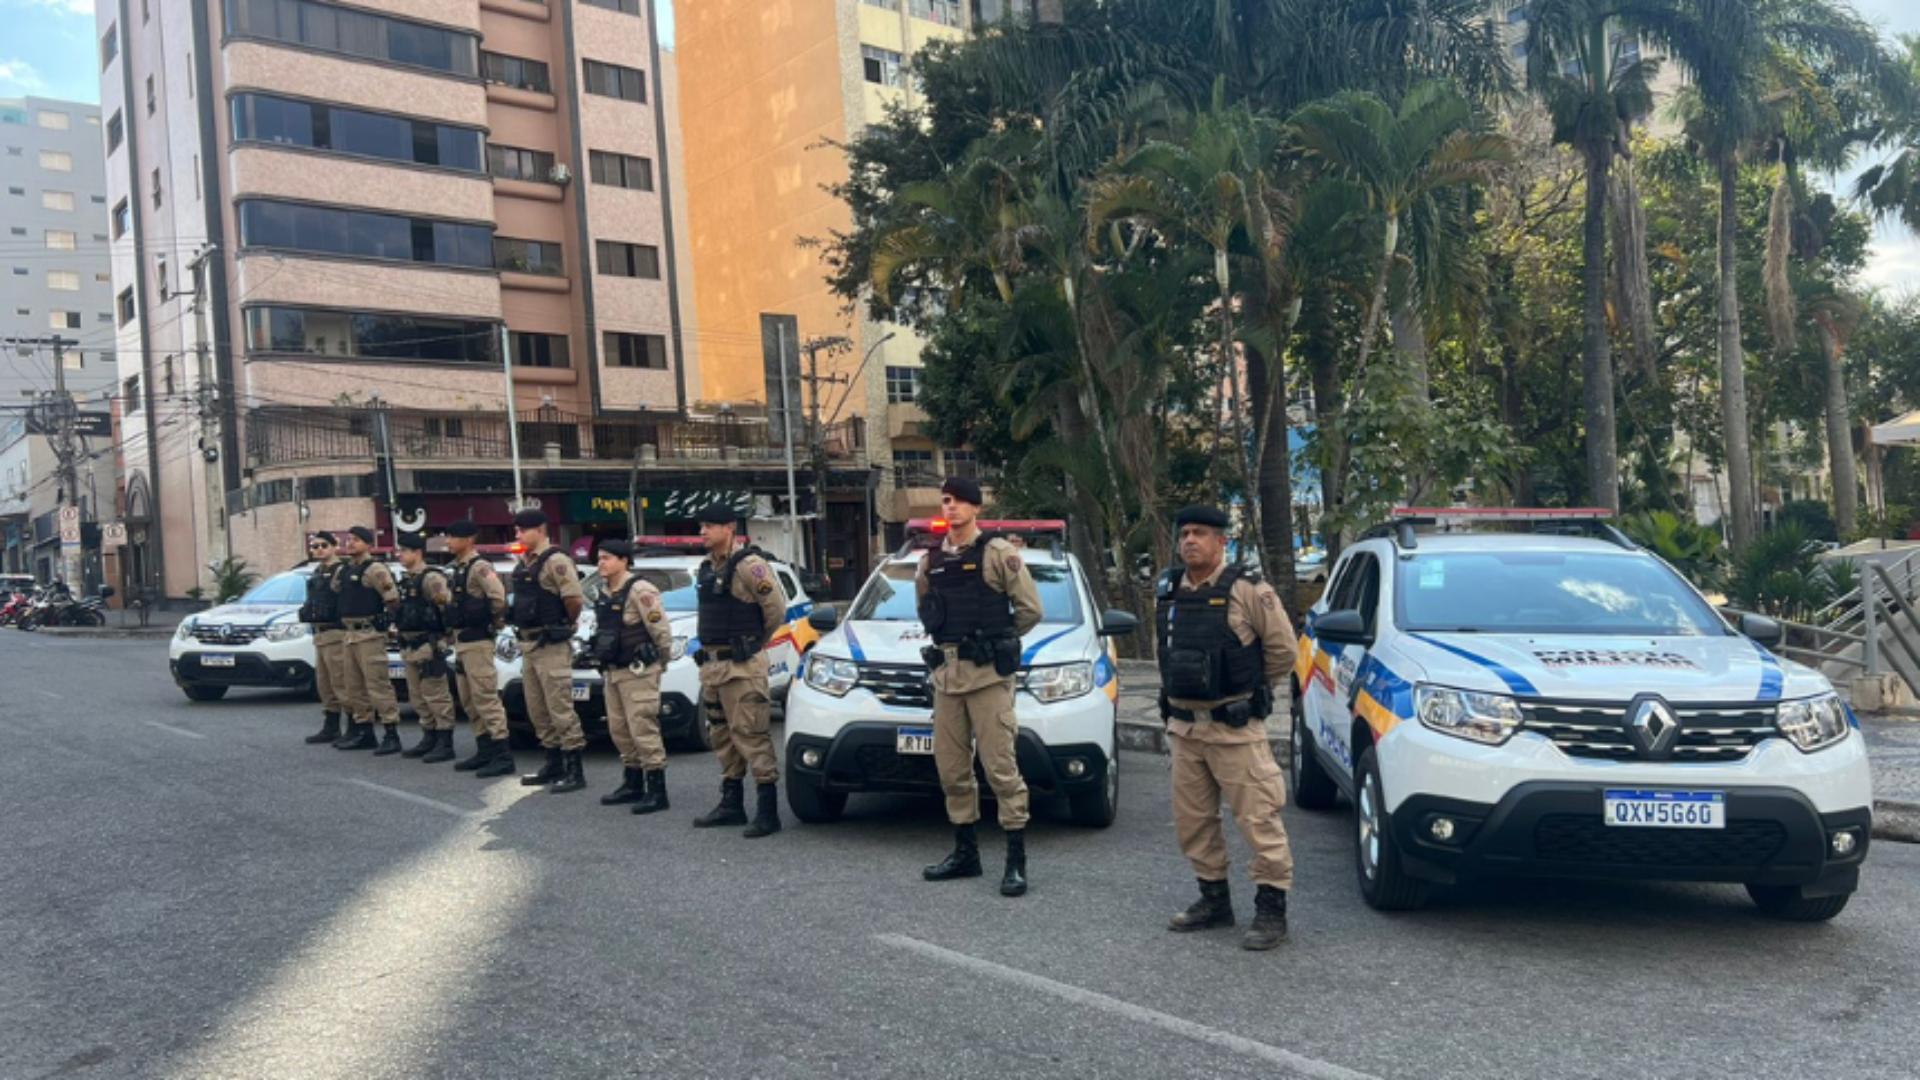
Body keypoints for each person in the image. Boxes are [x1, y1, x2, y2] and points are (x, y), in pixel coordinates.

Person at [1156, 505, 1300, 951]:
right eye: (1184, 534)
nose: (1190, 541)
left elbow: (1283, 651)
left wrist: (1249, 690)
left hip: (1234, 729)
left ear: (1222, 541)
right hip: (1185, 729)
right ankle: (1213, 900)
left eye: (1200, 533)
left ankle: (1271, 910)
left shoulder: (1248, 590)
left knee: (1259, 819)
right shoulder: (1168, 589)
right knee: (1194, 822)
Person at [916, 478, 1043, 897]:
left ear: (975, 507)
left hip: (988, 676)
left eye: (957, 502)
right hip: (948, 678)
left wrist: (997, 639)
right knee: (951, 769)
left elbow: (1029, 610)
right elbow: (926, 608)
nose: (949, 508)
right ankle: (966, 853)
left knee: (1000, 768)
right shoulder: (930, 560)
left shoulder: (998, 553)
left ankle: (1015, 860)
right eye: (945, 502)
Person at [689, 504, 789, 838]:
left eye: (709, 526)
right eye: (701, 526)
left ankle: (767, 811)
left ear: (729, 528)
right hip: (713, 666)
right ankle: (731, 805)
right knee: (722, 736)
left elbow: (775, 610)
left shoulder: (750, 566)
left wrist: (753, 643)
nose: (703, 532)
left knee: (751, 734)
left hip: (742, 666)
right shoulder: (706, 567)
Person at [592, 540, 676, 814]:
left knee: (643, 728)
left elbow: (660, 630)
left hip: (638, 671)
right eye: (599, 558)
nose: (600, 563)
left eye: (606, 558)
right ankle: (632, 783)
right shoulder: (605, 591)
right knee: (619, 729)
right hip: (614, 671)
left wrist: (660, 661)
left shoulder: (640, 590)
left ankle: (657, 789)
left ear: (623, 560)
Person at [509, 509, 588, 794]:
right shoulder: (524, 562)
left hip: (550, 644)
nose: (517, 535)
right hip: (529, 644)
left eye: (522, 530)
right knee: (538, 708)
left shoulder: (556, 561)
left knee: (560, 707)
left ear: (539, 530)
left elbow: (573, 599)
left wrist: (564, 623)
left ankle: (574, 768)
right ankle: (552, 762)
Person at [444, 521, 515, 778]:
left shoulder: (480, 567)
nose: (448, 541)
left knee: (485, 698)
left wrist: (491, 621)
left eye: (453, 536)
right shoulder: (458, 569)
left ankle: (503, 754)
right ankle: (484, 750)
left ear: (468, 540)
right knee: (468, 700)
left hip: (477, 641)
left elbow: (497, 597)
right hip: (462, 642)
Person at [331, 525, 403, 753]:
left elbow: (392, 598)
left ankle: (391, 733)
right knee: (354, 686)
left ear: (367, 544)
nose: (349, 543)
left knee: (377, 684)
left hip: (369, 634)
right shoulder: (343, 570)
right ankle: (363, 730)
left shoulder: (375, 569)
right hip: (349, 634)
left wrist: (386, 622)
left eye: (356, 540)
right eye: (348, 539)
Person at [393, 533, 459, 764]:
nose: (400, 555)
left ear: (417, 553)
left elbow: (446, 607)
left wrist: (445, 639)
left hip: (428, 643)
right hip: (410, 644)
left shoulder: (431, 578)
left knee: (436, 694)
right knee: (418, 696)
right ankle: (428, 736)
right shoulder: (408, 579)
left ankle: (444, 741)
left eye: (404, 551)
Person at [299, 532, 351, 745]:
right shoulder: (317, 573)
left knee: (341, 683)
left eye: (323, 545)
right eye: (315, 546)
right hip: (319, 634)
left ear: (334, 547)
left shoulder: (341, 571)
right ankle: (331, 726)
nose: (319, 549)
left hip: (336, 632)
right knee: (324, 684)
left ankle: (354, 727)